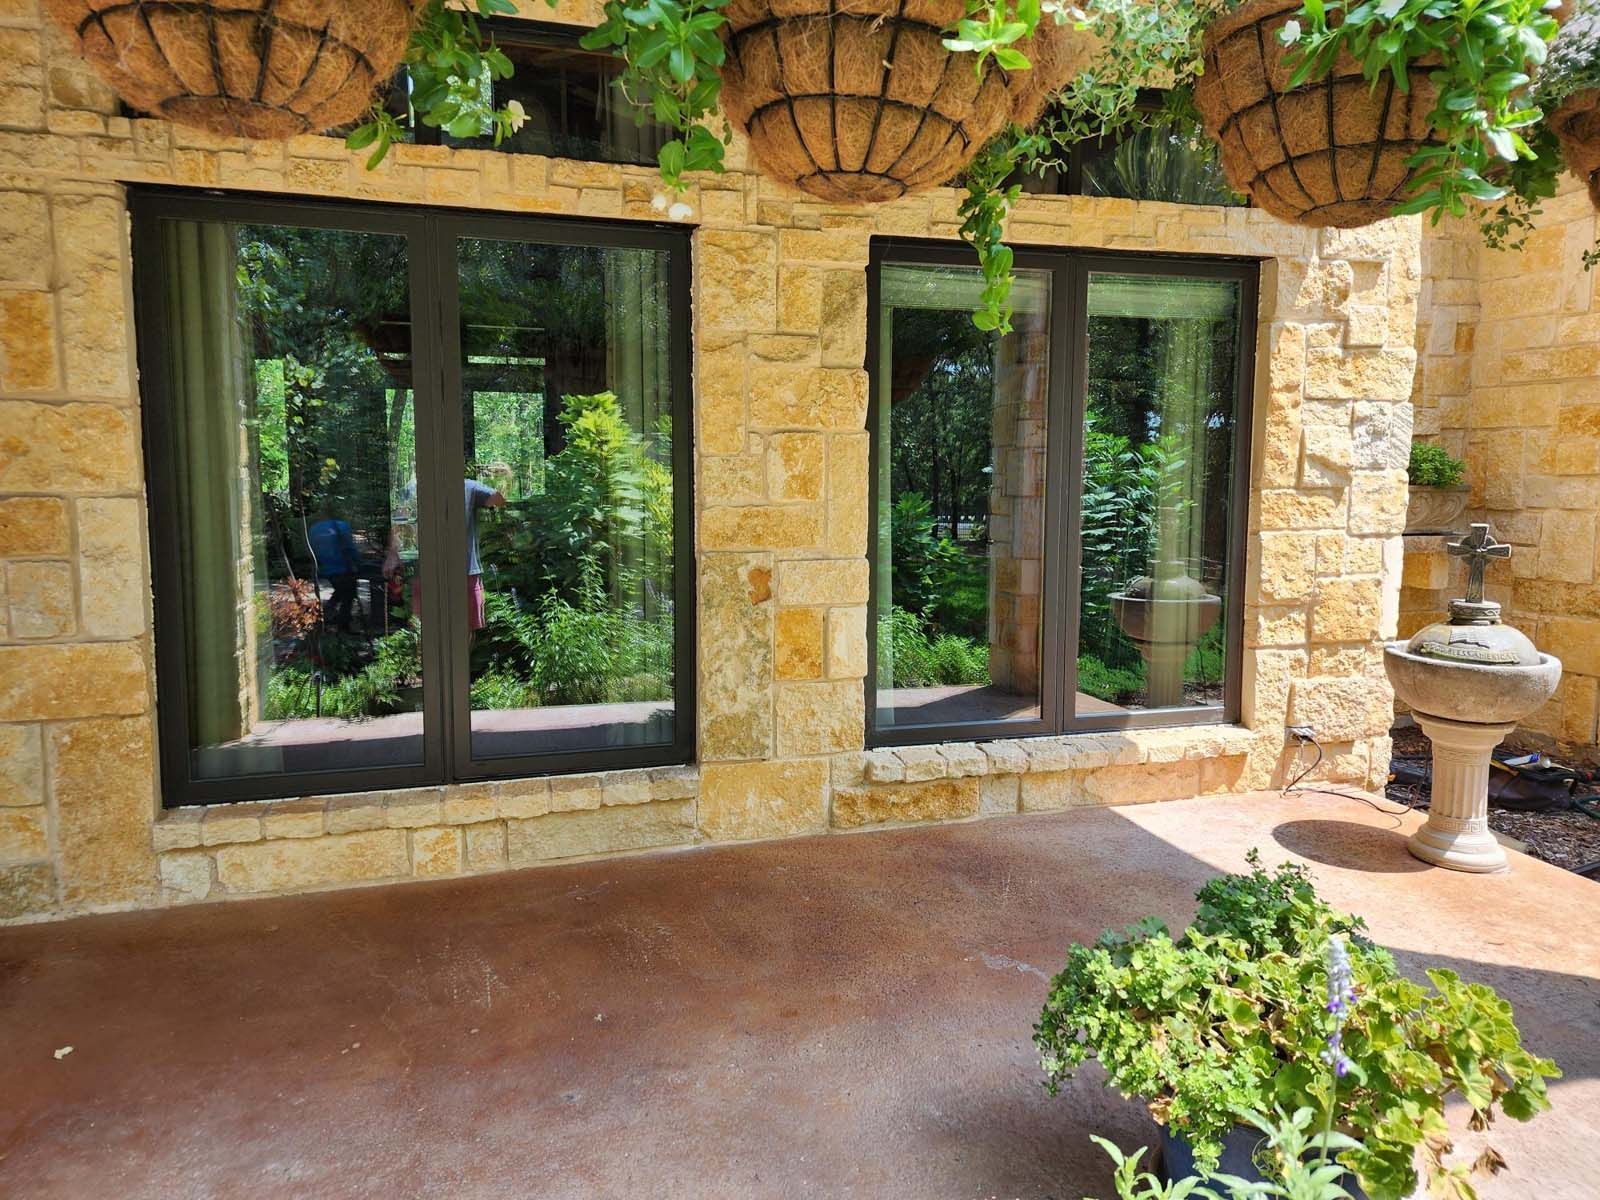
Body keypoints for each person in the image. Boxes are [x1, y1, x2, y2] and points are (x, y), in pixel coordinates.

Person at [307, 507, 361, 631]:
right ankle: (342, 625)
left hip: (325, 567)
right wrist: (359, 563)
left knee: (341, 592)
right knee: (348, 595)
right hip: (343, 567)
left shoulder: (314, 528)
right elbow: (349, 548)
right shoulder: (341, 526)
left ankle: (325, 616)